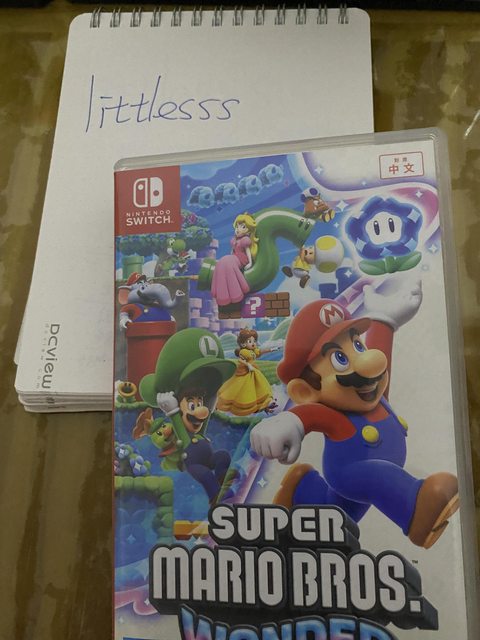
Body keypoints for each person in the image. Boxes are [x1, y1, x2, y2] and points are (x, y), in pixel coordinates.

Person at [250, 284, 459, 549]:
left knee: (337, 515)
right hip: (352, 473)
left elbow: (382, 360)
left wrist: (384, 319)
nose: (368, 361)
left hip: (354, 486)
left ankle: (302, 495)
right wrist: (288, 422)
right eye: (340, 358)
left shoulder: (373, 397)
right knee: (378, 477)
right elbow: (310, 415)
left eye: (358, 345)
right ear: (306, 390)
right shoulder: (336, 415)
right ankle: (415, 508)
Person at [217, 328, 277, 416]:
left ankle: (265, 403)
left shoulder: (253, 351)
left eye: (254, 341)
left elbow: (260, 351)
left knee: (260, 386)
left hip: (253, 371)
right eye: (250, 341)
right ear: (243, 344)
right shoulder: (244, 352)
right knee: (245, 388)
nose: (253, 343)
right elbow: (241, 360)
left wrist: (271, 349)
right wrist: (248, 365)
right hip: (245, 371)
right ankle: (247, 405)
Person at [211, 213, 259, 307]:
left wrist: (250, 262)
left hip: (241, 259)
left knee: (227, 263)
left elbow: (248, 251)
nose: (238, 229)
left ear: (248, 231)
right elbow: (232, 251)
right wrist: (230, 257)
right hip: (233, 258)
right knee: (222, 261)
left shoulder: (245, 240)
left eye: (243, 227)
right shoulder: (234, 240)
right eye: (237, 226)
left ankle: (236, 294)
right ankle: (222, 295)